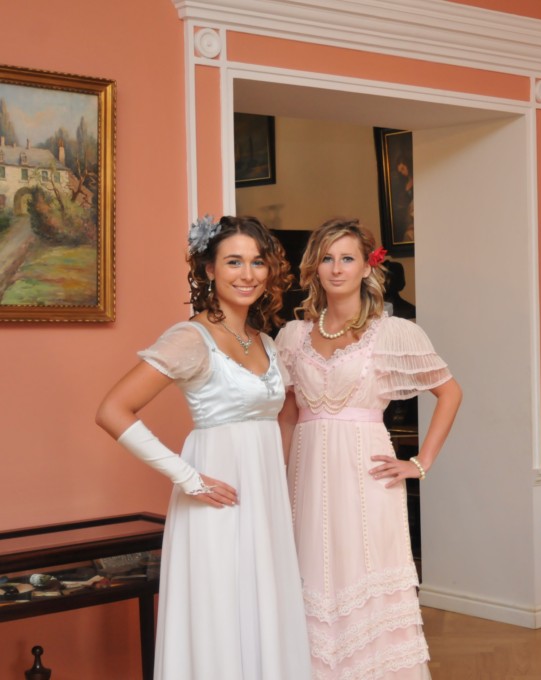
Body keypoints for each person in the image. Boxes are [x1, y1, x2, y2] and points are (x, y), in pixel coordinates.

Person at [95, 215, 312, 679]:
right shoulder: (190, 338)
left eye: (257, 262)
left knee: (263, 606)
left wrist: (281, 485)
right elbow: (112, 410)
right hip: (216, 498)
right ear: (209, 269)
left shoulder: (266, 342)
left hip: (265, 500)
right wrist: (188, 478)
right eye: (234, 262)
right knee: (220, 609)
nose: (247, 274)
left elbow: (282, 421)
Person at [275, 218, 461, 679]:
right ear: (314, 267)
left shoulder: (391, 332)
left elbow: (450, 392)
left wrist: (420, 463)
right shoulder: (292, 336)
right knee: (310, 577)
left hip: (366, 478)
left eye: (347, 258)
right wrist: (277, 478)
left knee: (365, 574)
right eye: (327, 258)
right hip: (305, 479)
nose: (336, 268)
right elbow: (288, 415)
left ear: (366, 267)